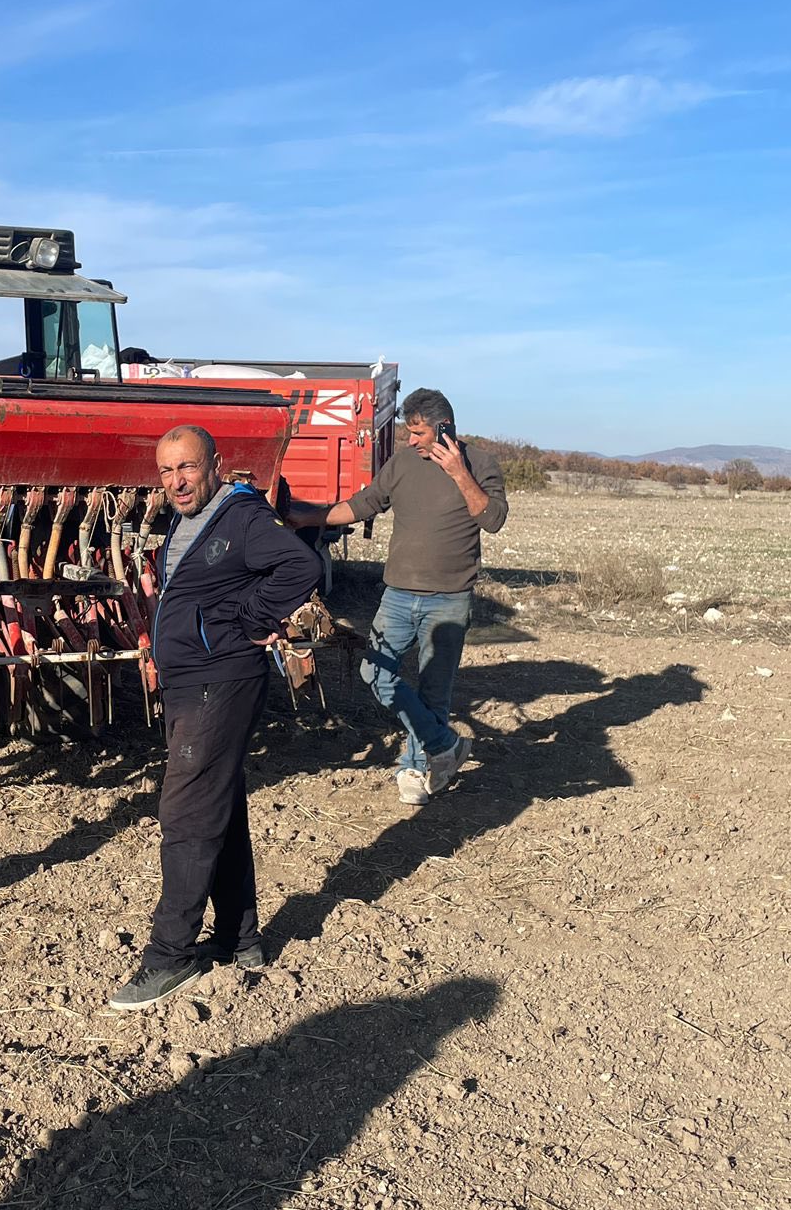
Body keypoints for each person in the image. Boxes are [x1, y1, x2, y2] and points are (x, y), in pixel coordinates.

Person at [108, 425, 322, 1013]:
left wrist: (245, 619)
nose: (176, 481)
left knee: (186, 811)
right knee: (218, 805)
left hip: (221, 680)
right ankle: (239, 936)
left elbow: (300, 568)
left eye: (188, 468)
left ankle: (169, 955)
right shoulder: (187, 518)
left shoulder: (243, 517)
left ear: (216, 465)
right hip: (192, 680)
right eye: (166, 471)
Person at [285, 387, 506, 805]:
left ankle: (414, 766)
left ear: (445, 429)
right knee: (375, 673)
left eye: (418, 433)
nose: (410, 441)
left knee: (434, 692)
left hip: (450, 599)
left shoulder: (481, 464)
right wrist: (308, 518)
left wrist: (459, 473)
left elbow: (493, 519)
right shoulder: (403, 462)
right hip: (399, 596)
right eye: (409, 432)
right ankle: (445, 747)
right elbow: (364, 504)